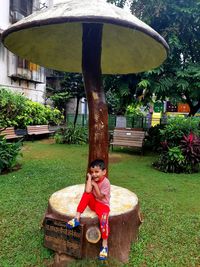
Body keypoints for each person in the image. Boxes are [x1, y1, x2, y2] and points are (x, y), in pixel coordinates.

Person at [66, 159, 111, 260]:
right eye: (92, 172)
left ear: (104, 172)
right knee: (87, 194)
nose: (94, 174)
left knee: (104, 221)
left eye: (97, 172)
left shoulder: (106, 182)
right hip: (94, 203)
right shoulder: (92, 179)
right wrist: (90, 179)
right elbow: (87, 191)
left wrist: (95, 185)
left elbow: (100, 197)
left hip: (103, 205)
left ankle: (104, 245)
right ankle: (76, 218)